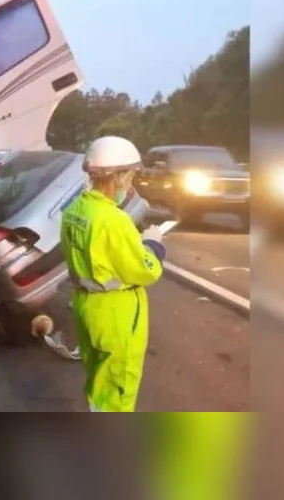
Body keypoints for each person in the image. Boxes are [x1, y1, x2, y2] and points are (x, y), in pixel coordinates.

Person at [60, 135, 168, 412]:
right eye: (130, 176)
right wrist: (153, 244)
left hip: (87, 307)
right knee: (118, 388)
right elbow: (145, 271)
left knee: (99, 380)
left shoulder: (74, 210)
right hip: (115, 315)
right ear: (118, 177)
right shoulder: (114, 220)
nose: (131, 183)